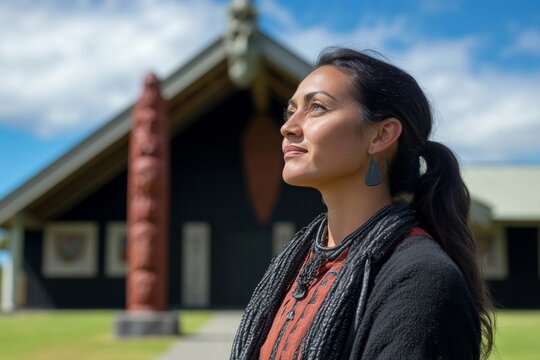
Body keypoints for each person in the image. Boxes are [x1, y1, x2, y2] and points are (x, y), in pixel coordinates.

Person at [230, 47, 495, 360]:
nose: (288, 127)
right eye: (291, 111)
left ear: (381, 135)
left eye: (316, 107)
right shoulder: (296, 264)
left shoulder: (421, 280)